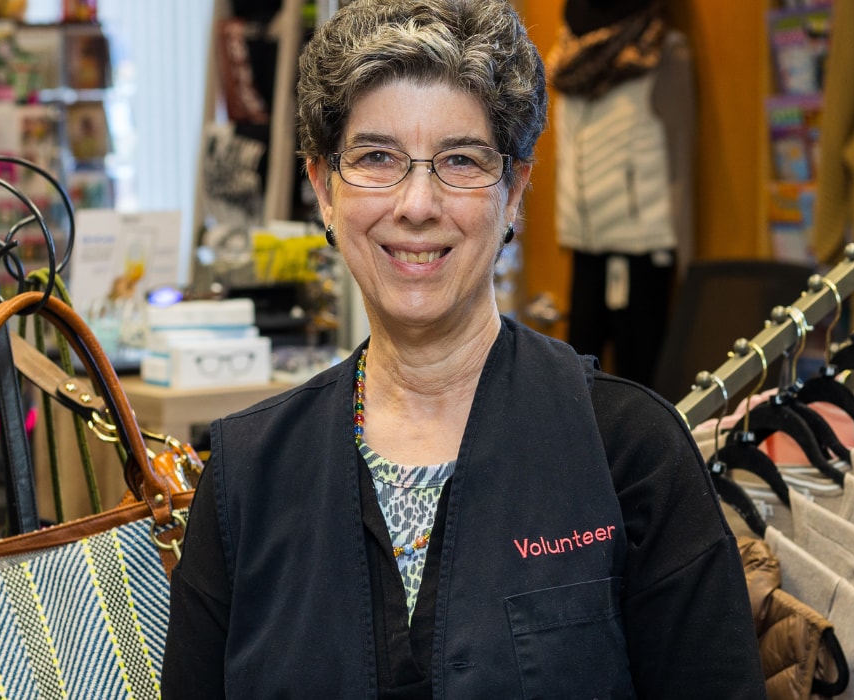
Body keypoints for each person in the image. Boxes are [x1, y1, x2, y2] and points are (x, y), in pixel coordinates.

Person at [162, 0, 765, 697]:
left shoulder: (632, 454)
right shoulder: (245, 479)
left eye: (460, 160)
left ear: (513, 193)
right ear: (324, 189)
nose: (417, 204)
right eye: (377, 157)